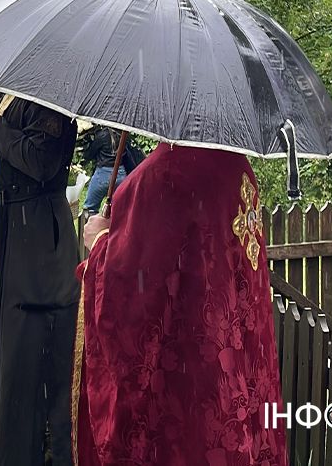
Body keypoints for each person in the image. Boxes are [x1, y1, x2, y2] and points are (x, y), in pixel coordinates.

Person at [75, 145, 288, 466]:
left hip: (186, 384)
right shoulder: (236, 167)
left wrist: (100, 241)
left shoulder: (162, 175)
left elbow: (129, 295)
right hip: (232, 374)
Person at [0, 96, 79, 465]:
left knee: (24, 366)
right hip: (4, 248)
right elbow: (10, 162)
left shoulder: (52, 97)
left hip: (35, 255)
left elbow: (41, 162)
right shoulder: (12, 93)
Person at [79, 125, 143, 214]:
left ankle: (90, 226)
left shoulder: (102, 135)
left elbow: (88, 155)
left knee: (90, 208)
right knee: (120, 209)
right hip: (121, 175)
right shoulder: (124, 135)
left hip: (102, 175)